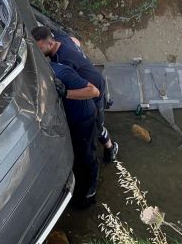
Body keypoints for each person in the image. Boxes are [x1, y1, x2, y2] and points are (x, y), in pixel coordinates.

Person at [31, 26, 118, 163]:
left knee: (96, 125)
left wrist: (66, 93)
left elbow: (92, 91)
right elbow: (75, 41)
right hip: (93, 75)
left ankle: (110, 148)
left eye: (40, 49)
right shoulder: (62, 39)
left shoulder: (62, 62)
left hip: (95, 88)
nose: (39, 53)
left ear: (51, 43)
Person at [50, 62, 101, 208]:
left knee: (87, 157)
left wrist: (66, 93)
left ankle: (90, 192)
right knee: (77, 155)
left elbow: (94, 91)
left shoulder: (61, 72)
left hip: (84, 119)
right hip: (71, 120)